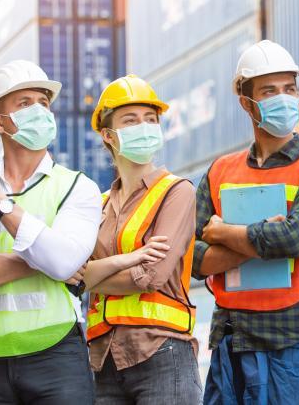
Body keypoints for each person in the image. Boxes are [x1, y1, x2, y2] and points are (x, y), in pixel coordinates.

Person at [0, 60, 101, 404]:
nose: (39, 111)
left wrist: (2, 206)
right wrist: (42, 255)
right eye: (24, 104)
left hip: (57, 356)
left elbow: (64, 260)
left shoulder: (76, 187)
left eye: (43, 102)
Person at [192, 39, 299, 404]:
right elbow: (189, 258)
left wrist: (224, 233)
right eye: (270, 90)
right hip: (233, 343)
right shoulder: (220, 171)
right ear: (247, 103)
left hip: (296, 345)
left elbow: (295, 239)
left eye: (290, 88)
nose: (284, 98)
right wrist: (262, 242)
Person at [81, 74, 201, 404]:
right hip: (104, 359)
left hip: (163, 352)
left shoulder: (177, 192)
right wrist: (129, 259)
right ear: (108, 135)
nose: (144, 127)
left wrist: (94, 275)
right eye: (131, 120)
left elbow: (152, 277)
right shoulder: (98, 205)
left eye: (150, 119)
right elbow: (73, 276)